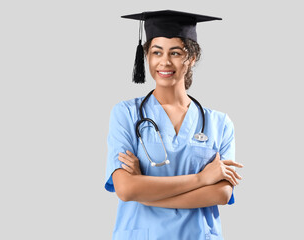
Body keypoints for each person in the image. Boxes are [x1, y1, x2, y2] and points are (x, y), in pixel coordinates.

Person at [104, 10, 244, 240]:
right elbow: (126, 189)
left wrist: (145, 191)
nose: (164, 61)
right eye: (156, 52)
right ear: (147, 56)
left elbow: (221, 193)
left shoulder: (220, 123)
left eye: (175, 53)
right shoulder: (126, 114)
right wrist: (201, 179)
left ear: (192, 58)